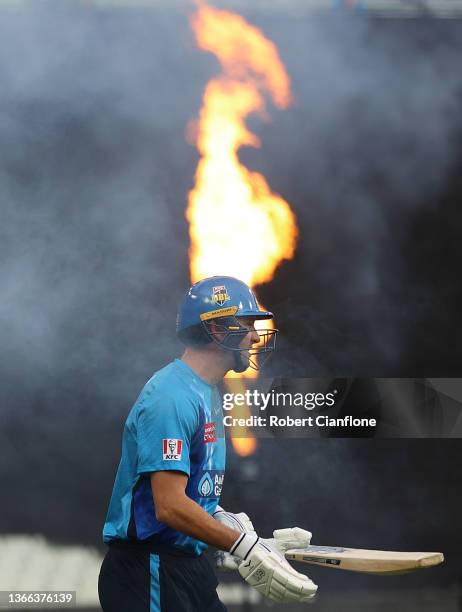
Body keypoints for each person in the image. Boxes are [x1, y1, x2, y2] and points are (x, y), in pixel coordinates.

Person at [98, 276, 317, 611]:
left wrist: (234, 532)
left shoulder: (208, 392)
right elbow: (169, 506)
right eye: (247, 324)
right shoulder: (171, 397)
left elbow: (191, 497)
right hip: (150, 571)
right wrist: (244, 547)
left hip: (186, 567)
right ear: (217, 331)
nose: (256, 335)